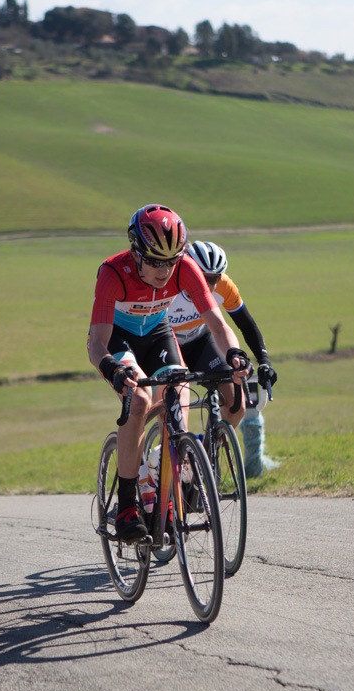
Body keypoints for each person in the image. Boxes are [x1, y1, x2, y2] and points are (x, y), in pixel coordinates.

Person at [87, 204, 250, 543]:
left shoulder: (184, 268)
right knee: (140, 398)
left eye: (172, 260)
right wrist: (113, 369)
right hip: (119, 338)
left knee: (179, 393)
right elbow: (96, 342)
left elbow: (218, 325)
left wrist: (234, 353)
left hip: (158, 332)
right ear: (136, 252)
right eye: (157, 261)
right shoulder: (113, 273)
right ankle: (127, 507)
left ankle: (166, 488)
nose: (165, 271)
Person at [165, 240, 277, 429]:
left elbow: (246, 325)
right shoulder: (169, 287)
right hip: (168, 341)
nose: (210, 286)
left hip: (200, 339)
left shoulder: (225, 286)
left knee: (236, 407)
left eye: (215, 278)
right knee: (174, 407)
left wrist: (264, 360)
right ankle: (173, 451)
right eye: (204, 278)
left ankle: (208, 454)